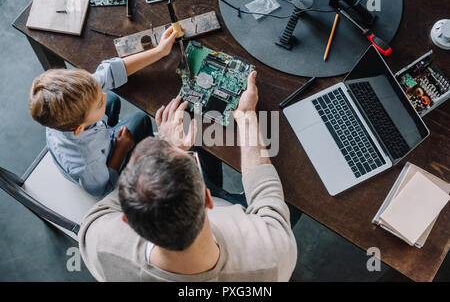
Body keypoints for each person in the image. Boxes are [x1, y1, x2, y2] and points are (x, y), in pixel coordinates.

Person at [79, 71, 298, 281]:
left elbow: (105, 209)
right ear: (207, 197)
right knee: (294, 201)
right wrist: (246, 114)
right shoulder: (273, 257)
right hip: (240, 217)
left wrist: (168, 145)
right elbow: (267, 195)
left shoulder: (98, 243)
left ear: (126, 219)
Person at [28, 27, 179, 198]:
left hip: (98, 139)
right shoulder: (87, 163)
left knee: (113, 100)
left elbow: (109, 73)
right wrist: (121, 149)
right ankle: (146, 160)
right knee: (140, 120)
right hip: (104, 168)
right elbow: (103, 189)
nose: (104, 94)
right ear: (79, 128)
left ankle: (110, 129)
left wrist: (160, 51)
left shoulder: (69, 102)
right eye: (100, 103)